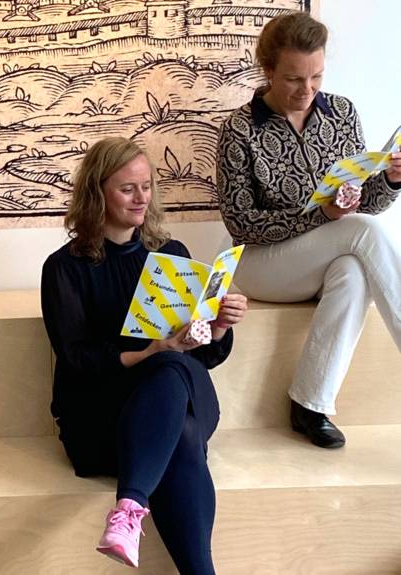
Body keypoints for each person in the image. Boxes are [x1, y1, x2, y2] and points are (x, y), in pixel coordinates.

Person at [41, 137, 247, 572]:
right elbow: (76, 359)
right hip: (101, 418)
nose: (141, 198)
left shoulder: (171, 254)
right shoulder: (64, 267)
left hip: (171, 397)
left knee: (174, 368)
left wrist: (219, 326)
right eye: (127, 188)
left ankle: (128, 510)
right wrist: (151, 352)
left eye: (147, 186)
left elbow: (203, 355)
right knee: (182, 430)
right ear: (97, 192)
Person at [216, 11, 401, 449]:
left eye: (316, 76)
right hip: (260, 262)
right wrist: (321, 216)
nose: (308, 90)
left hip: (323, 256)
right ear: (268, 71)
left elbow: (365, 203)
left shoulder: (341, 113)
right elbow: (240, 223)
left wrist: (391, 180)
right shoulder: (239, 129)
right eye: (294, 79)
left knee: (354, 271)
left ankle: (310, 403)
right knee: (360, 233)